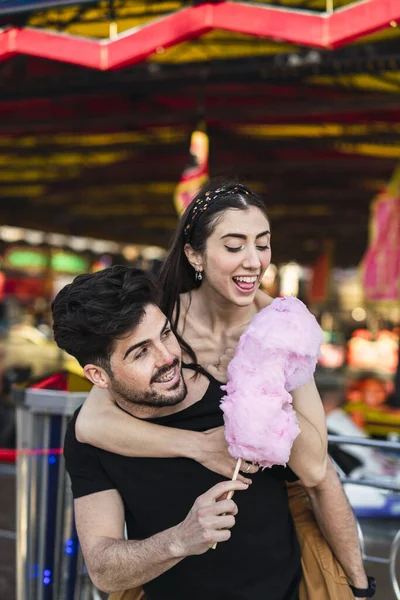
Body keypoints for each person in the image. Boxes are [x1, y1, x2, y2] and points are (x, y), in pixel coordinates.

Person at [75, 181, 372, 599]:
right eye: (234, 246)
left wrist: (266, 376)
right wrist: (199, 446)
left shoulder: (283, 326)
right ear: (194, 254)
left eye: (263, 245)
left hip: (274, 571)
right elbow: (91, 423)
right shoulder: (163, 322)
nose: (254, 262)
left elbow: (314, 469)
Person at [56, 266, 314, 599]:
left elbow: (319, 479)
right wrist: (180, 539)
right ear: (98, 376)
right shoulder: (89, 440)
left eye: (165, 334)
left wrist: (359, 586)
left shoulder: (231, 391)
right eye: (141, 352)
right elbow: (103, 569)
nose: (168, 357)